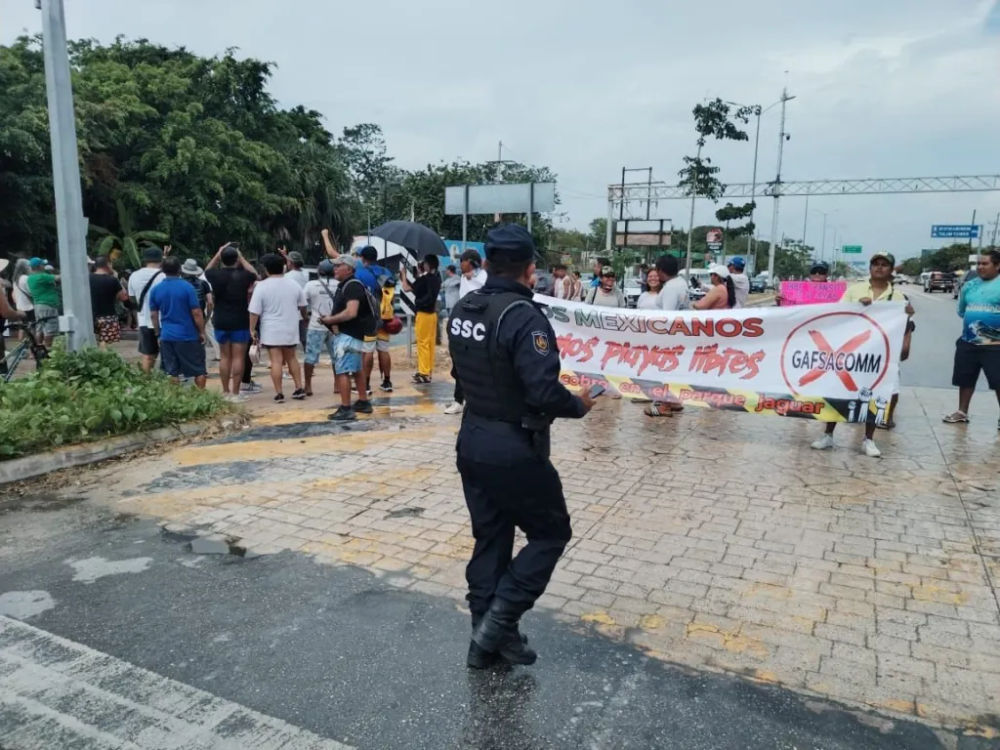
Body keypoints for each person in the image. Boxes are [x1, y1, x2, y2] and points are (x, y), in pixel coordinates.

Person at [449, 224, 595, 668]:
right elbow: (544, 393)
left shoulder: (464, 308)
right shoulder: (523, 317)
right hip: (513, 445)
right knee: (550, 533)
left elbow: (462, 377)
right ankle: (499, 621)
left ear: (487, 263)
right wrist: (581, 404)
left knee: (491, 537)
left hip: (472, 438)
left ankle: (484, 644)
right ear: (531, 270)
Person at [811, 252, 914, 458]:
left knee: (875, 395)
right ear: (870, 268)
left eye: (884, 265)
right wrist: (858, 306)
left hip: (879, 357)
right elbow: (839, 315)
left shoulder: (898, 297)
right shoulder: (855, 291)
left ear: (891, 270)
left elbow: (904, 325)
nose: (879, 268)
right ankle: (828, 434)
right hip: (853, 352)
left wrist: (907, 313)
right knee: (840, 391)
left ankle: (869, 439)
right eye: (875, 264)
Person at [943, 249, 1000, 429]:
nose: (981, 267)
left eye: (985, 264)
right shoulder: (969, 286)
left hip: (996, 344)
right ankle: (962, 412)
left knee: (998, 381)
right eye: (979, 264)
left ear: (997, 266)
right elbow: (962, 310)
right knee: (965, 378)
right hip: (968, 341)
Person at [321, 256, 377, 421]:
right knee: (357, 369)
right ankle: (363, 402)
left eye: (339, 266)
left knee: (343, 371)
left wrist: (330, 320)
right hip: (354, 335)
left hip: (349, 336)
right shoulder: (349, 285)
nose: (335, 269)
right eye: (335, 266)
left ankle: (346, 408)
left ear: (350, 269)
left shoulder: (352, 286)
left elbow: (351, 312)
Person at [248, 253, 307, 402]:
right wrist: (304, 318)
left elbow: (254, 312)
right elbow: (303, 306)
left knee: (276, 361)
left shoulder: (261, 286)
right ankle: (299, 387)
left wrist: (252, 329)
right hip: (290, 326)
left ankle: (279, 393)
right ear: (283, 267)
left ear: (266, 269)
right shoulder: (293, 284)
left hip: (271, 328)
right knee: (292, 357)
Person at [205, 243, 259, 401]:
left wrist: (218, 252)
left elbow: (207, 269)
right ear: (237, 259)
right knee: (238, 357)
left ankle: (225, 391)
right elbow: (254, 272)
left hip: (221, 319)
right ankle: (235, 393)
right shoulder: (244, 276)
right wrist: (241, 256)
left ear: (222, 259)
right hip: (240, 319)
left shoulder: (215, 275)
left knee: (224, 357)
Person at [149, 256, 207, 388]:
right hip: (188, 335)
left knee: (172, 372)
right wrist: (202, 331)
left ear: (163, 270)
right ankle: (202, 398)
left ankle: (176, 399)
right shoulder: (187, 288)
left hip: (167, 336)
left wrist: (158, 333)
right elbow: (196, 312)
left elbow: (153, 314)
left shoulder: (156, 289)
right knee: (199, 370)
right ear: (179, 270)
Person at [443, 251, 490, 415]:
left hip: (479, 326)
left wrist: (475, 276)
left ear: (470, 262)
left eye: (461, 261)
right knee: (459, 364)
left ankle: (479, 399)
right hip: (462, 324)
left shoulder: (484, 278)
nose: (459, 265)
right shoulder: (463, 277)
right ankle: (458, 400)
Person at [401, 253, 441, 383]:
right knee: (429, 344)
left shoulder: (424, 279)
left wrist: (403, 275)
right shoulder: (437, 278)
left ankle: (423, 373)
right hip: (433, 315)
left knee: (422, 343)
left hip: (423, 314)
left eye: (424, 263)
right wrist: (419, 275)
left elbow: (406, 288)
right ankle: (427, 371)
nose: (422, 265)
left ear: (428, 265)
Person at [303, 259, 339, 397]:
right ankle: (337, 384)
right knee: (337, 357)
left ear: (320, 271)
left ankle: (307, 385)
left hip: (316, 325)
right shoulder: (340, 285)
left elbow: (302, 302)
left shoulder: (311, 285)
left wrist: (305, 316)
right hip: (335, 326)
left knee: (310, 357)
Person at [128, 246, 166, 373]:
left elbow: (132, 299)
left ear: (145, 260)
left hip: (144, 320)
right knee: (168, 355)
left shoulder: (134, 275)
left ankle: (146, 382)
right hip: (164, 320)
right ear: (161, 260)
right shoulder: (165, 276)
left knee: (148, 355)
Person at [181, 258, 220, 363]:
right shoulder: (204, 283)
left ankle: (187, 366)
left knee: (185, 342)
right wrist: (207, 317)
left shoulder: (181, 283)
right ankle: (200, 367)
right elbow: (210, 303)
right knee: (201, 340)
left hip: (184, 316)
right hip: (200, 315)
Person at [89, 256, 128, 350]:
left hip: (90, 316)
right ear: (108, 265)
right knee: (107, 346)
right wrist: (116, 277)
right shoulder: (112, 280)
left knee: (92, 343)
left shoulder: (87, 278)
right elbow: (123, 297)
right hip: (108, 317)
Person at [25, 257, 60, 347]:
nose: (44, 266)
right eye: (42, 264)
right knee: (50, 330)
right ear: (39, 266)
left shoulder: (30, 278)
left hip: (38, 305)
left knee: (39, 329)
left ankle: (38, 350)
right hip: (48, 305)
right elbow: (58, 278)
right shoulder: (42, 276)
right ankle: (47, 349)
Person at [376, 274, 397, 392]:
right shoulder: (391, 289)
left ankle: (366, 383)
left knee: (366, 352)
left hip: (373, 321)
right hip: (386, 321)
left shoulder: (372, 283)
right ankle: (387, 381)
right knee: (384, 351)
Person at [11, 259, 34, 339]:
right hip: (29, 306)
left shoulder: (15, 279)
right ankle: (31, 346)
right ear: (25, 268)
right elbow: (31, 292)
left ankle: (20, 344)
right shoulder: (25, 278)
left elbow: (14, 293)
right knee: (32, 327)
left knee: (22, 328)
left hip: (20, 307)